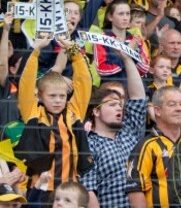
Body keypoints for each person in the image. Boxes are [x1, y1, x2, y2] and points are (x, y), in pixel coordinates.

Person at [14, 37, 92, 203]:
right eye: (52, 96)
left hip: (69, 190)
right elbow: (26, 82)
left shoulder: (74, 112)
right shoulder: (33, 113)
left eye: (62, 96)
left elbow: (84, 82)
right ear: (40, 96)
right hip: (40, 189)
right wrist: (35, 51)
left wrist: (74, 52)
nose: (58, 100)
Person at [81, 41, 147, 208]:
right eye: (112, 104)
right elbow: (88, 190)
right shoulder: (88, 143)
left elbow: (138, 97)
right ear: (96, 111)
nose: (119, 108)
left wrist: (127, 59)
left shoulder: (131, 130)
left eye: (120, 104)